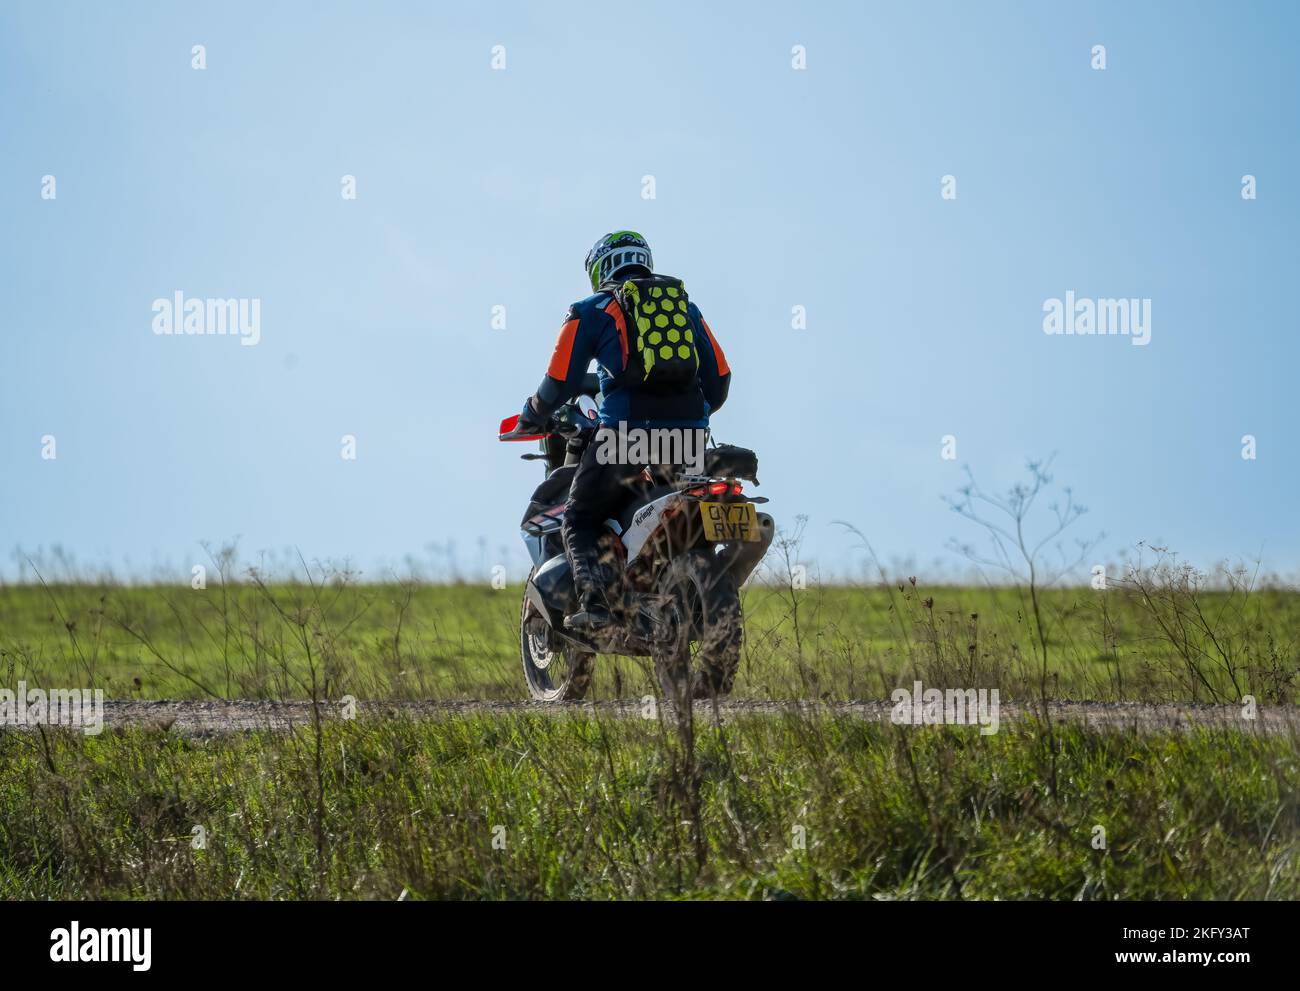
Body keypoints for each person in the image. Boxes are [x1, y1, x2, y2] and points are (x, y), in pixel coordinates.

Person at [517, 230, 731, 629]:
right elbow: (719, 381)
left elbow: (560, 380)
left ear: (599, 269)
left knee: (579, 518)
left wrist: (533, 411)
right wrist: (689, 416)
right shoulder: (686, 309)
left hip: (623, 439)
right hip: (688, 442)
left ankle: (597, 606)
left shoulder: (592, 309)